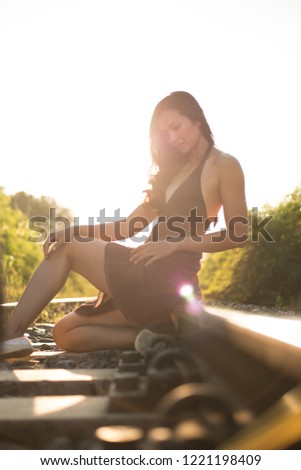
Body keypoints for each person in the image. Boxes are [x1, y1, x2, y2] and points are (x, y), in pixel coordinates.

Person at [0, 91, 248, 359]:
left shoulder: (223, 165)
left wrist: (174, 243)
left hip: (166, 278)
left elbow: (239, 233)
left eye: (176, 126)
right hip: (145, 270)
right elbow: (127, 227)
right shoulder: (172, 171)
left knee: (67, 249)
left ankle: (10, 334)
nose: (173, 138)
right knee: (65, 333)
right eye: (165, 133)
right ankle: (162, 336)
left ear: (197, 119)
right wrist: (74, 229)